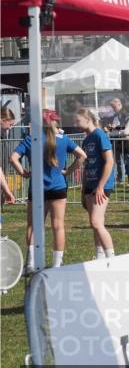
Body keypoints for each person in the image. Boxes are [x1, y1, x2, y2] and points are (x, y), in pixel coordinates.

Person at [9, 110, 86, 270]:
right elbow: (82, 155)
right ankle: (57, 265)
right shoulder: (64, 139)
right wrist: (68, 171)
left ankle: (31, 263)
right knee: (58, 226)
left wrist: (23, 172)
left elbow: (13, 158)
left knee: (33, 226)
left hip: (37, 188)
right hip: (58, 187)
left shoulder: (32, 139)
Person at [76, 108, 116, 259]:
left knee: (96, 222)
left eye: (78, 120)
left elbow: (109, 161)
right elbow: (86, 165)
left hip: (101, 186)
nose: (76, 124)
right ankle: (99, 255)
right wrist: (84, 188)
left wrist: (100, 186)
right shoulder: (86, 139)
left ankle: (111, 257)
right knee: (96, 223)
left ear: (88, 120)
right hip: (90, 185)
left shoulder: (100, 135)